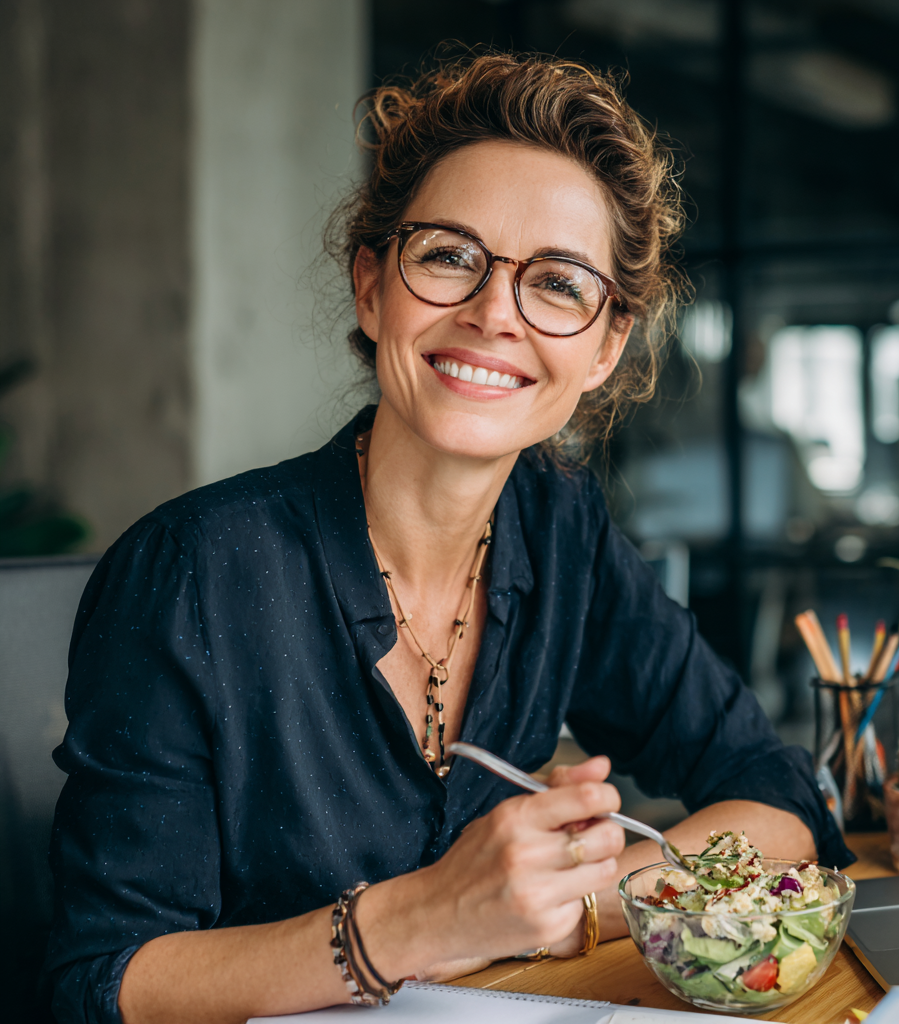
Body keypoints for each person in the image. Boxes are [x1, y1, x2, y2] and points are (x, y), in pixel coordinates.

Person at [46, 52, 852, 1024]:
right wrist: (420, 921)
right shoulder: (191, 574)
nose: (492, 313)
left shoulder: (561, 532)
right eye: (447, 256)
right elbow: (99, 982)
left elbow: (774, 799)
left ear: (603, 347)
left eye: (556, 283)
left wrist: (554, 908)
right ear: (372, 286)